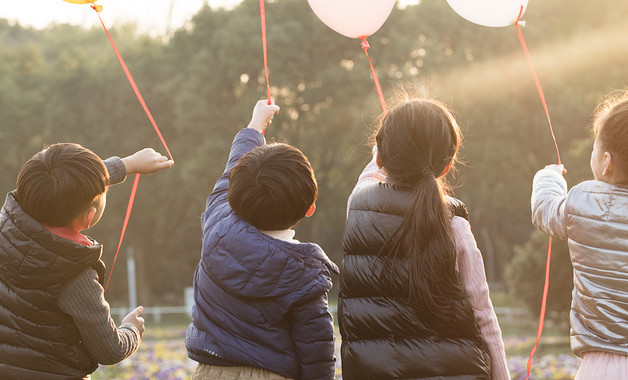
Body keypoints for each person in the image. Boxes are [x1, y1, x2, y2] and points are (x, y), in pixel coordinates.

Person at [339, 98, 510, 379]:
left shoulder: (357, 207)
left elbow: (370, 174)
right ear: (447, 166)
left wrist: (381, 152)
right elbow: (483, 318)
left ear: (380, 156)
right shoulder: (453, 225)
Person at [185, 100, 338, 380]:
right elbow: (317, 354)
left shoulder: (218, 221)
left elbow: (234, 164)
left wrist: (255, 124)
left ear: (233, 191)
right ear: (310, 207)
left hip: (209, 373)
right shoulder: (304, 274)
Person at [0, 143, 174, 379]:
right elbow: (110, 350)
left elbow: (60, 186)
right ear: (90, 216)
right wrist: (132, 329)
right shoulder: (73, 274)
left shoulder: (7, 225)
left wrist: (128, 164)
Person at [531, 91, 628, 379]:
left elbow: (545, 209)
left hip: (602, 365)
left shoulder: (583, 202)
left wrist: (549, 176)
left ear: (606, 162)